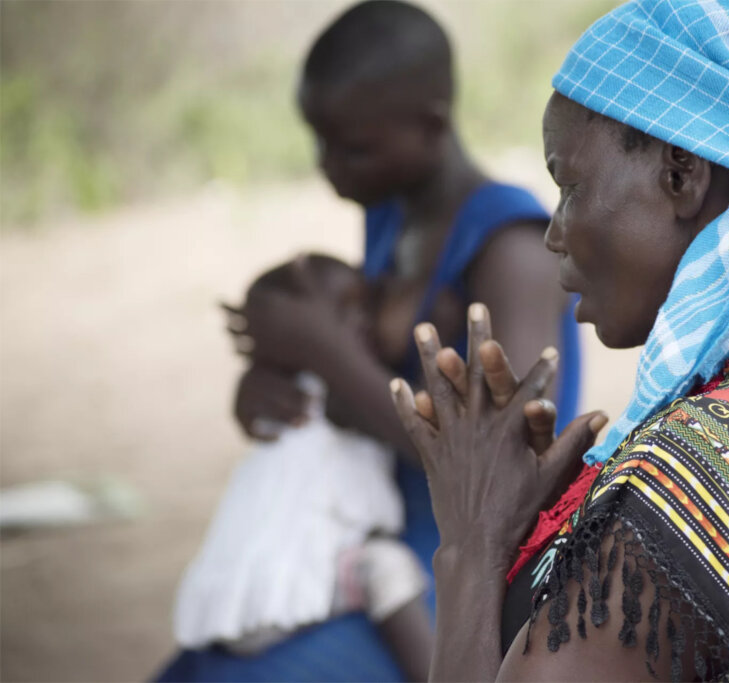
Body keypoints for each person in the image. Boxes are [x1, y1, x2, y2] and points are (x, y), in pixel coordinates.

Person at [390, 0, 729, 680]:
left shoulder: (695, 475)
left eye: (569, 186)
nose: (553, 232)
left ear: (681, 174)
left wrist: (473, 546)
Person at [155, 2, 578, 681]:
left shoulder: (511, 248)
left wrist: (324, 350)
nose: (329, 167)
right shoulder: (392, 217)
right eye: (319, 140)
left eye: (352, 148)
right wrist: (273, 385)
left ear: (431, 126)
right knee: (197, 662)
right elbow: (365, 376)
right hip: (369, 537)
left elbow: (503, 464)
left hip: (469, 566)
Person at [173, 256, 436, 678]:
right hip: (285, 596)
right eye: (343, 312)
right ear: (297, 335)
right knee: (388, 567)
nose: (361, 321)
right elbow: (425, 431)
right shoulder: (330, 394)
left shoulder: (277, 393)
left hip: (238, 603)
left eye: (364, 306)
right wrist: (329, 349)